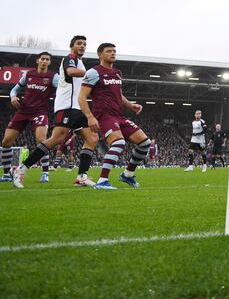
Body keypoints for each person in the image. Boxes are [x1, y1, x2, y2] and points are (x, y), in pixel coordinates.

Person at [13, 35, 99, 188]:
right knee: (56, 140)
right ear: (72, 46)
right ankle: (21, 169)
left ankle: (82, 176)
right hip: (66, 106)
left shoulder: (80, 63)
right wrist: (93, 73)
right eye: (79, 43)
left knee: (92, 138)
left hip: (78, 107)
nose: (82, 46)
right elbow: (71, 72)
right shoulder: (70, 58)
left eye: (85, 44)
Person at [77, 43, 152, 189]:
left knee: (145, 143)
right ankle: (102, 181)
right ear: (100, 54)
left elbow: (118, 94)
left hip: (119, 116)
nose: (113, 53)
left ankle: (127, 175)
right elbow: (82, 97)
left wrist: (130, 105)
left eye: (114, 51)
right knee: (118, 143)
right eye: (109, 51)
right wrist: (90, 117)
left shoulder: (117, 73)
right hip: (104, 116)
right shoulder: (93, 72)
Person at [1, 52, 57, 184]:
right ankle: (7, 174)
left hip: (40, 112)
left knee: (41, 140)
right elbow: (14, 90)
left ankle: (45, 173)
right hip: (23, 111)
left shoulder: (53, 77)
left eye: (47, 60)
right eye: (42, 59)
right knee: (6, 141)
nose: (44, 61)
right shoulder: (29, 74)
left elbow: (63, 90)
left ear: (49, 63)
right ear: (38, 61)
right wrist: (13, 97)